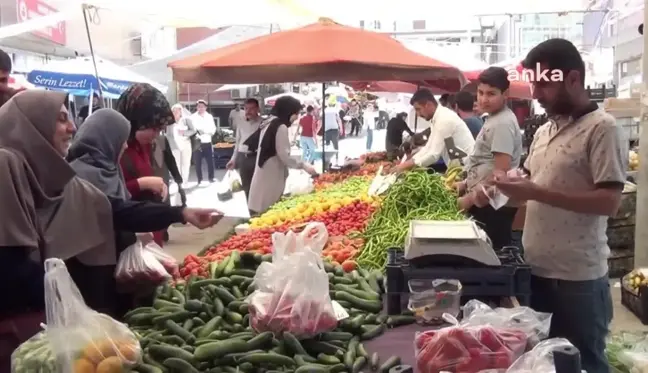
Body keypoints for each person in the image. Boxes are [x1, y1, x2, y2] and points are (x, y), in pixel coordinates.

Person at [0, 91, 221, 365]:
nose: (72, 127)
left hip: (46, 322)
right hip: (15, 325)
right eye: (60, 120)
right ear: (30, 125)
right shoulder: (5, 164)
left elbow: (112, 209)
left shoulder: (57, 179)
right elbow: (9, 264)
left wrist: (181, 212)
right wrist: (69, 303)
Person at [493, 38, 624, 373]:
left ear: (573, 80)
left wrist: (535, 191)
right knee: (545, 361)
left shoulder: (603, 129)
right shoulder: (545, 130)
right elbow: (530, 183)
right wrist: (499, 188)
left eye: (543, 85)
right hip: (536, 269)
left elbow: (609, 201)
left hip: (577, 279)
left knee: (585, 361)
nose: (535, 94)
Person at [66, 108, 219, 315]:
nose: (125, 144)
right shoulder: (82, 174)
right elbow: (118, 212)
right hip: (92, 272)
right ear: (106, 138)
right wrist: (181, 213)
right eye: (121, 138)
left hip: (116, 267)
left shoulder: (108, 167)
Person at [455, 67, 523, 249]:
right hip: (485, 202)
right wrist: (464, 184)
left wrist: (468, 200)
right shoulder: (494, 118)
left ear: (505, 94)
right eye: (480, 92)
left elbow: (500, 175)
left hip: (493, 207)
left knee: (491, 256)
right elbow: (486, 160)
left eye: (491, 94)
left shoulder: (502, 123)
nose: (484, 99)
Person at [117, 83, 175, 246]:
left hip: (150, 235)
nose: (156, 135)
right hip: (130, 240)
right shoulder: (116, 148)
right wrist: (142, 184)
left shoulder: (144, 145)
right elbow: (107, 198)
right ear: (137, 121)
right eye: (154, 128)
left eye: (160, 130)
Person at [246, 96, 318, 215]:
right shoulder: (280, 126)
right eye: (296, 113)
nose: (296, 117)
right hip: (270, 177)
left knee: (260, 211)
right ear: (288, 111)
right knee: (266, 214)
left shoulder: (268, 122)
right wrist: (304, 165)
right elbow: (284, 156)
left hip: (263, 175)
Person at [392, 89, 475, 174]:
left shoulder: (444, 119)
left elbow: (433, 154)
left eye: (418, 109)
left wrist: (405, 166)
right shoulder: (437, 119)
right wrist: (407, 163)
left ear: (428, 105)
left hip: (468, 170)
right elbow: (428, 147)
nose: (418, 114)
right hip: (460, 169)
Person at [226, 98, 263, 198]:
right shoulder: (241, 123)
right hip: (243, 158)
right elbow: (237, 144)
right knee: (246, 187)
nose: (248, 111)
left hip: (257, 158)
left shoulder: (263, 123)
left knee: (258, 186)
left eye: (251, 108)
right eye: (246, 108)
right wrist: (233, 159)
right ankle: (250, 210)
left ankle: (259, 211)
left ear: (258, 109)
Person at [169, 104, 197, 188]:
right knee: (176, 164)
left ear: (181, 111)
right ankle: (178, 181)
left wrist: (184, 133)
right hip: (174, 145)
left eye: (177, 110)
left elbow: (193, 130)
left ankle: (185, 181)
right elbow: (168, 134)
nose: (175, 112)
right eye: (174, 111)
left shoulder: (186, 119)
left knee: (186, 163)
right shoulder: (170, 121)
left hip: (185, 144)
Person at [192, 99, 217, 186]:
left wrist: (205, 131)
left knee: (210, 161)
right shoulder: (193, 117)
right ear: (196, 107)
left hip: (207, 141)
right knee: (197, 162)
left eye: (202, 107)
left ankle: (211, 177)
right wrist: (199, 132)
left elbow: (213, 128)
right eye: (199, 106)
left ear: (205, 107)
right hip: (197, 142)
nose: (201, 108)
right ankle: (200, 179)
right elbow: (193, 129)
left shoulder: (209, 116)